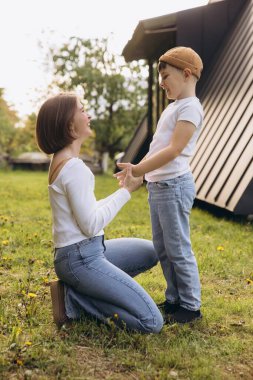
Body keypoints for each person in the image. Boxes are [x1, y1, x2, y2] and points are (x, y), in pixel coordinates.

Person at [35, 92, 164, 333]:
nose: (88, 114)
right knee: (151, 323)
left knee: (150, 251)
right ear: (68, 123)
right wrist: (126, 193)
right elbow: (91, 225)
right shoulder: (74, 168)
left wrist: (124, 190)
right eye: (82, 110)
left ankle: (79, 290)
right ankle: (73, 300)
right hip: (80, 258)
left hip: (83, 253)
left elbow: (89, 211)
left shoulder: (62, 160)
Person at [116, 47, 204, 324]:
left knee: (178, 248)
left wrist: (140, 168)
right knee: (163, 247)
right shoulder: (174, 106)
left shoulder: (191, 107)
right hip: (159, 187)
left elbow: (174, 150)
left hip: (174, 187)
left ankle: (191, 306)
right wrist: (140, 173)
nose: (161, 82)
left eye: (166, 76)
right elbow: (158, 148)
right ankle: (174, 299)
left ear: (186, 73)